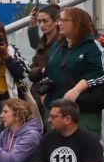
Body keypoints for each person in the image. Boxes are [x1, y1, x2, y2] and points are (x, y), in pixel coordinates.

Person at [41, 7, 104, 137]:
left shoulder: (92, 46)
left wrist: (77, 89)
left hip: (82, 113)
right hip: (55, 111)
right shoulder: (58, 46)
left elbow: (98, 73)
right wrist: (45, 93)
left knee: (83, 148)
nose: (59, 23)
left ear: (77, 23)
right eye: (59, 20)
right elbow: (50, 70)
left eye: (64, 20)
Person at [26, 3, 61, 91]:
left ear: (56, 21)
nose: (41, 25)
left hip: (54, 92)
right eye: (39, 21)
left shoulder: (62, 43)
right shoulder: (41, 44)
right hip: (38, 92)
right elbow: (30, 74)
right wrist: (42, 70)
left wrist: (40, 70)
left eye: (45, 21)